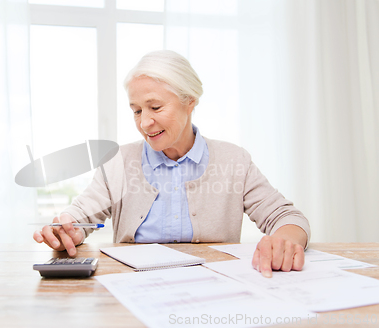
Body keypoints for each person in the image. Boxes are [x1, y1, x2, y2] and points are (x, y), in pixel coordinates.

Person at [33, 50, 310, 278]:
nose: (144, 122)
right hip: (134, 290)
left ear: (190, 101)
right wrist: (65, 230)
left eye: (155, 108)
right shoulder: (118, 163)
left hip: (214, 290)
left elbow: (289, 218)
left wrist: (284, 240)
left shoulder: (234, 160)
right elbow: (81, 217)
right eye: (137, 111)